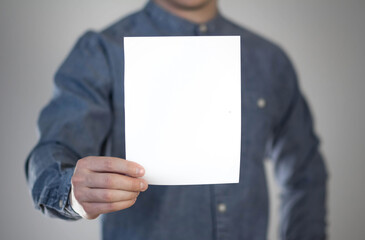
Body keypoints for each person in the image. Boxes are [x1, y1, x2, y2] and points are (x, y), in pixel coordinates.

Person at [25, 0, 328, 239]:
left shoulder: (269, 60)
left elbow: (306, 174)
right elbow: (52, 149)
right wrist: (71, 192)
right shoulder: (101, 51)